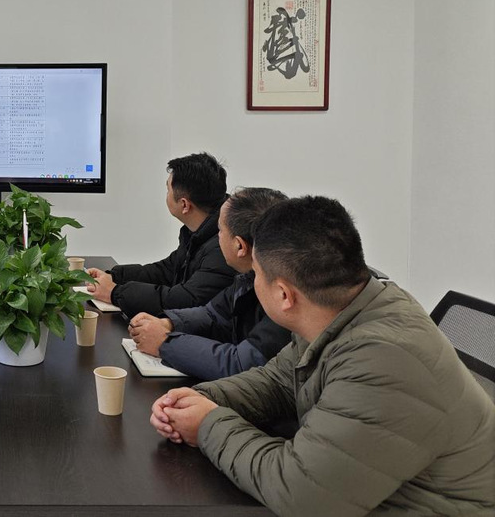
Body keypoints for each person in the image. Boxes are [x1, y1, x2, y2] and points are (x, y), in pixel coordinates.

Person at [150, 196, 495, 516]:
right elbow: (279, 380)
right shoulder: (343, 310)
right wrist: (203, 398)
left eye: (256, 274)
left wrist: (208, 425)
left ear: (284, 295)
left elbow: (301, 494)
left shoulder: (382, 360)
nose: (252, 282)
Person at [128, 187, 291, 380]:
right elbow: (213, 314)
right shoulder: (249, 276)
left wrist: (165, 343)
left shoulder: (287, 294)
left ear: (239, 246)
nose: (217, 237)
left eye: (220, 230)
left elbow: (243, 364)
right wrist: (169, 323)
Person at [88, 152, 235, 315]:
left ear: (184, 205)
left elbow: (185, 300)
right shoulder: (199, 232)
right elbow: (166, 271)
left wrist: (115, 293)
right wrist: (115, 277)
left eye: (167, 189)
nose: (166, 195)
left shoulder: (224, 245)